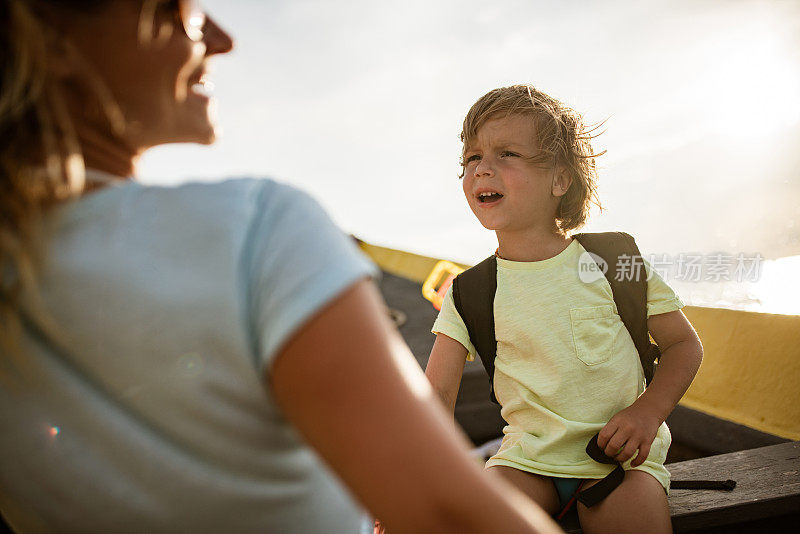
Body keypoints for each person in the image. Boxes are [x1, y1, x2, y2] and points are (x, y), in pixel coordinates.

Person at [0, 2, 566, 533]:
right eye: (178, 12)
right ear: (54, 41)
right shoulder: (254, 224)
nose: (221, 38)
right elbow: (448, 513)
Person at [425, 85, 704, 534]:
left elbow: (683, 345)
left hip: (621, 465)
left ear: (559, 179)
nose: (481, 169)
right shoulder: (468, 293)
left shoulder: (616, 260)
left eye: (506, 153)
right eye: (471, 158)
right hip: (524, 463)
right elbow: (435, 399)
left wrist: (648, 412)